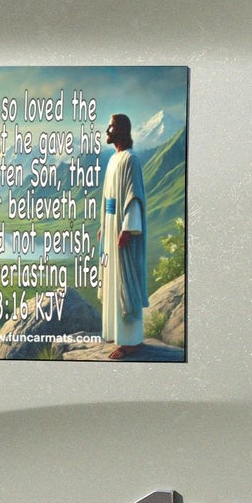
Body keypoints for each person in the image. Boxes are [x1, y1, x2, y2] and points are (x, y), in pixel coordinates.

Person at [98, 113, 148, 358]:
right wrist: (104, 225)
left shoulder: (131, 160)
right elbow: (108, 197)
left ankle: (130, 342)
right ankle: (116, 334)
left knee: (124, 283)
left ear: (122, 131)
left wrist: (128, 228)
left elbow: (133, 196)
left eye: (112, 126)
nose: (108, 130)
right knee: (112, 280)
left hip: (122, 229)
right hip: (110, 226)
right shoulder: (114, 159)